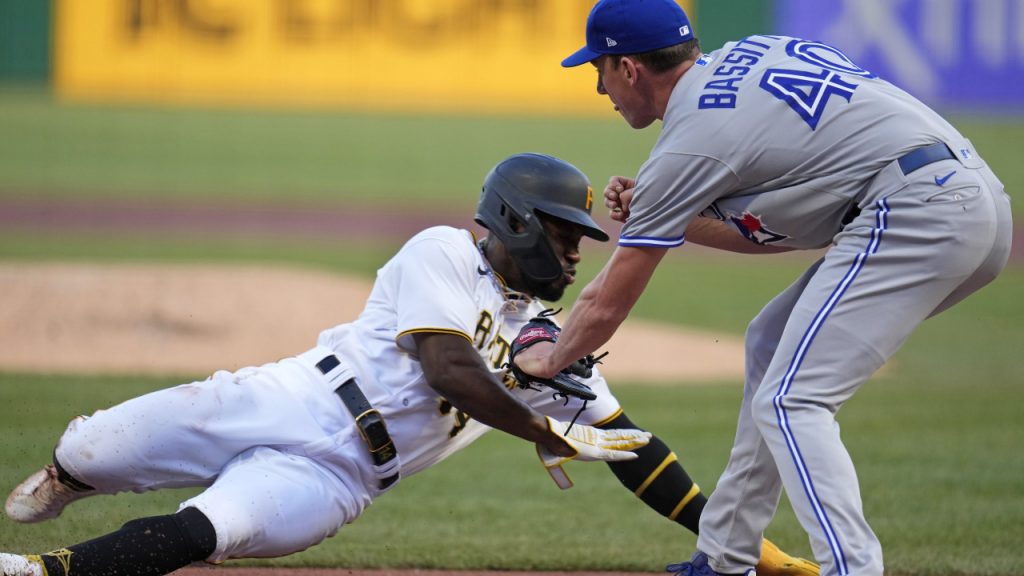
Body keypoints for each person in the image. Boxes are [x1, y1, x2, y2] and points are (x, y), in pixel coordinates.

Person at [0, 153, 816, 576]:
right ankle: (70, 476)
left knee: (208, 529)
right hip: (291, 400)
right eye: (564, 235)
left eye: (577, 240)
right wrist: (538, 427)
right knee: (93, 451)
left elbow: (638, 454)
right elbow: (446, 367)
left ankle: (39, 574)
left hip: (344, 481)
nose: (574, 254)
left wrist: (754, 550)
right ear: (516, 223)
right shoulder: (444, 254)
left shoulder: (551, 343)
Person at [512, 2, 1014, 576]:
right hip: (966, 199)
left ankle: (854, 569)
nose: (600, 89)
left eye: (597, 69)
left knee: (792, 399)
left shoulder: (689, 141)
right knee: (770, 342)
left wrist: (551, 358)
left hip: (916, 211)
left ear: (628, 68)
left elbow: (607, 304)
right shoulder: (749, 56)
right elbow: (766, 238)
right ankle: (726, 555)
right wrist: (663, 209)